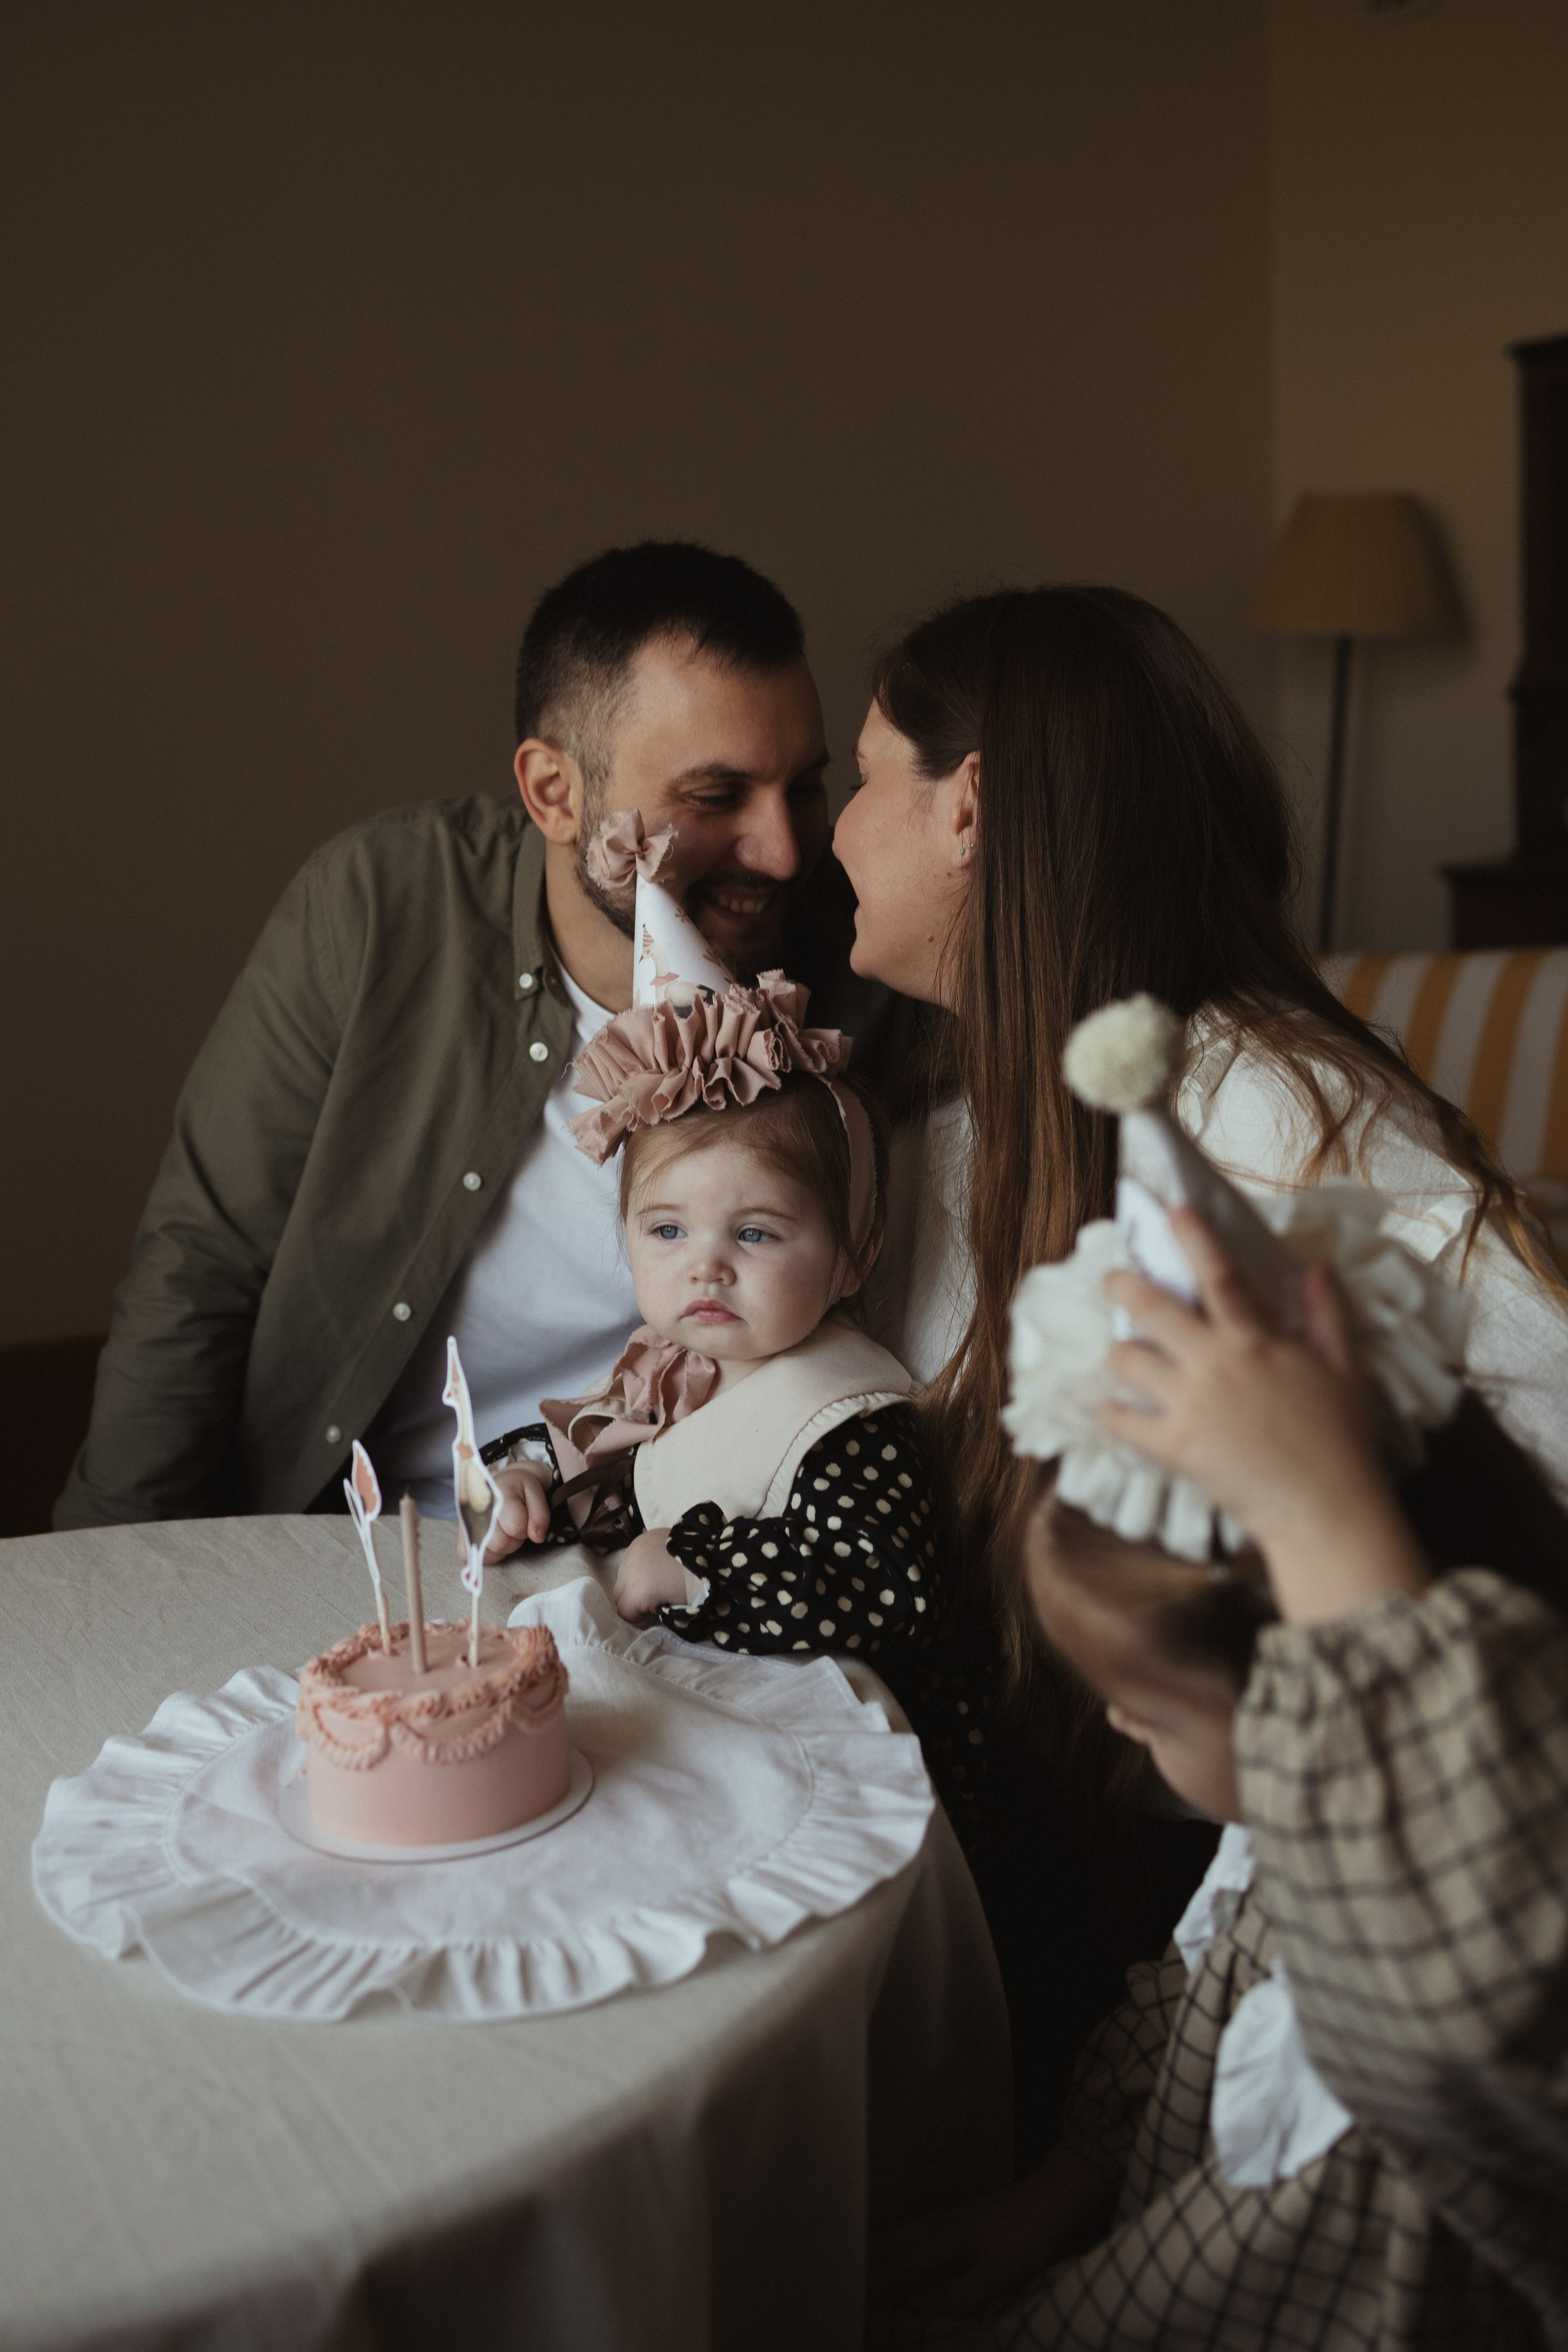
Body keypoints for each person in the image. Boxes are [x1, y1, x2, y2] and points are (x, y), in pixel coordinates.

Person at [832, 582, 1568, 2135]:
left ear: (964, 809)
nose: (829, 834)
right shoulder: (973, 1111)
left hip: (1325, 1903)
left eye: (857, 777)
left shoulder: (1270, 1123)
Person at [56, 540, 900, 1528]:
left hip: (652, 1547)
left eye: (803, 785)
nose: (784, 849)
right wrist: (111, 1561)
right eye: (714, 798)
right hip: (348, 1537)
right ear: (554, 792)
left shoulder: (860, 962)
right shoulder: (380, 906)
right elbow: (201, 1263)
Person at [872, 1206, 1568, 2349]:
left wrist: (1314, 1505)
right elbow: (1199, 1996)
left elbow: (1470, 1985)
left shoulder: (1460, 1911)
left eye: (1147, 1709)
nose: (1117, 1719)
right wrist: (1059, 2190)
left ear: (1300, 1696)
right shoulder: (1284, 1826)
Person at [473, 811, 947, 1708]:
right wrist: (527, 1481)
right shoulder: (676, 1375)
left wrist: (695, 1570)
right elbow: (607, 1465)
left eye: (757, 1234)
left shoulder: (845, 1417)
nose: (707, 1267)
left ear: (855, 1256)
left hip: (853, 1748)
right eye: (667, 1232)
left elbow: (889, 1585)